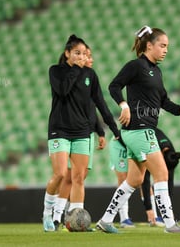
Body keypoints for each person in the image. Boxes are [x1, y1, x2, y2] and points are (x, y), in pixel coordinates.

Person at [96, 25, 180, 234]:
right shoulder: (136, 66)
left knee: (135, 180)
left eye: (167, 46)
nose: (166, 50)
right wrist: (123, 105)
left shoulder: (156, 71)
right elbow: (114, 86)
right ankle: (170, 224)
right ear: (149, 45)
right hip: (140, 130)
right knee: (162, 173)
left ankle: (105, 221)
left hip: (135, 132)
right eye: (162, 45)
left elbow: (163, 101)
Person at [42, 34, 121, 232]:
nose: (81, 56)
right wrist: (76, 68)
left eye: (84, 53)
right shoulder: (56, 71)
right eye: (77, 53)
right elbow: (62, 90)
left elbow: (99, 103)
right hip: (59, 130)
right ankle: (47, 214)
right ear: (67, 53)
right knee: (60, 174)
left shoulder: (90, 76)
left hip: (82, 133)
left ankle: (76, 220)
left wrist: (110, 129)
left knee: (78, 177)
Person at [51, 45, 107, 230]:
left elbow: (94, 111)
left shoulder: (90, 80)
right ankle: (59, 215)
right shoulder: (76, 78)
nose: (88, 59)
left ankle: (71, 217)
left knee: (79, 177)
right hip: (75, 132)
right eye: (84, 55)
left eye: (89, 56)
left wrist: (100, 131)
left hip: (86, 134)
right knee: (70, 177)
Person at [140, 127, 180, 226]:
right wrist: (148, 208)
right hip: (137, 144)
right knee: (138, 180)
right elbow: (145, 181)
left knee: (160, 179)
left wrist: (169, 210)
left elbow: (169, 182)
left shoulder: (171, 154)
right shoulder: (152, 148)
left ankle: (160, 217)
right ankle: (125, 218)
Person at [108, 137, 135, 228]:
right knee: (123, 179)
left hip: (134, 143)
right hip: (120, 142)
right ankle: (124, 218)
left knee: (135, 179)